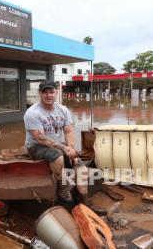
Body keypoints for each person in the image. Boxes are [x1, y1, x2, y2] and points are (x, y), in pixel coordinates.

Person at [24, 80, 105, 215]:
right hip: (36, 146)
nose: (48, 95)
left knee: (82, 169)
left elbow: (68, 131)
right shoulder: (32, 112)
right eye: (45, 92)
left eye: (51, 92)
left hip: (58, 144)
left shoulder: (63, 110)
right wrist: (63, 148)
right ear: (39, 93)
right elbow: (40, 138)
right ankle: (62, 184)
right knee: (58, 157)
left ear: (56, 92)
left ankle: (85, 201)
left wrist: (71, 148)